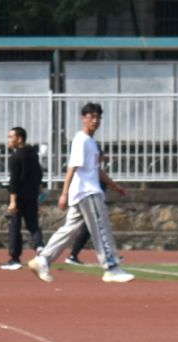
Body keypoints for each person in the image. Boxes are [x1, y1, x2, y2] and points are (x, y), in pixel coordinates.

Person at [28, 102, 132, 284]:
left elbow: (95, 170)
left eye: (97, 117)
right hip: (87, 192)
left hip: (84, 192)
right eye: (91, 117)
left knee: (69, 229)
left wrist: (115, 186)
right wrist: (64, 193)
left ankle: (42, 260)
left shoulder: (91, 143)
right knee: (101, 228)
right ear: (84, 119)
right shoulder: (81, 140)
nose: (95, 120)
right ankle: (111, 267)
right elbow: (72, 168)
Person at [2, 125, 43, 270]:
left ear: (19, 139)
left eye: (11, 137)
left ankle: (14, 259)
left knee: (15, 227)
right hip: (31, 195)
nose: (9, 140)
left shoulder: (15, 157)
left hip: (19, 196)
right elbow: (39, 173)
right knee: (33, 224)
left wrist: (12, 201)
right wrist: (39, 190)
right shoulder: (33, 154)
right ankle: (39, 245)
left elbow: (14, 180)